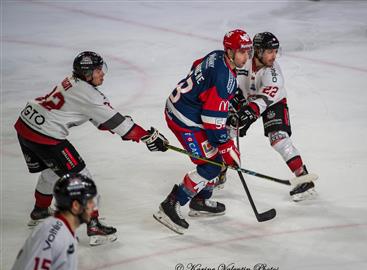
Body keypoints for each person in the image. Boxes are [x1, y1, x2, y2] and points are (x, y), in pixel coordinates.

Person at [14, 51, 169, 245]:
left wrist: (124, 128)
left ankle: (39, 212)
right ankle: (94, 225)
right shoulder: (90, 95)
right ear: (87, 73)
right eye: (98, 71)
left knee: (51, 173)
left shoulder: (73, 81)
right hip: (46, 135)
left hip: (26, 125)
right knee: (83, 178)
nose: (102, 74)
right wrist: (147, 137)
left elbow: (100, 120)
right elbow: (120, 126)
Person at [153, 29, 253, 234]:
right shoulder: (225, 77)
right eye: (241, 52)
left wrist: (224, 102)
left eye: (248, 51)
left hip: (183, 107)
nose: (246, 56)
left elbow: (195, 67)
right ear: (230, 51)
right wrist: (226, 147)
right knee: (212, 165)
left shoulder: (216, 56)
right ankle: (170, 205)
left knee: (215, 159)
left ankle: (200, 200)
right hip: (184, 119)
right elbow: (211, 121)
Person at [227, 32, 316, 202]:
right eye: (269, 51)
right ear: (258, 51)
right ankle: (220, 173)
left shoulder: (274, 74)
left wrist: (248, 113)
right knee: (226, 131)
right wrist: (234, 98)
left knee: (278, 138)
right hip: (246, 100)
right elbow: (230, 76)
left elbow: (265, 99)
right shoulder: (243, 59)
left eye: (275, 51)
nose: (274, 56)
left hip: (272, 102)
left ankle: (304, 178)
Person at [9, 173, 97, 270]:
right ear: (76, 206)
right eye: (90, 201)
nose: (93, 205)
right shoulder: (52, 237)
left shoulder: (63, 231)